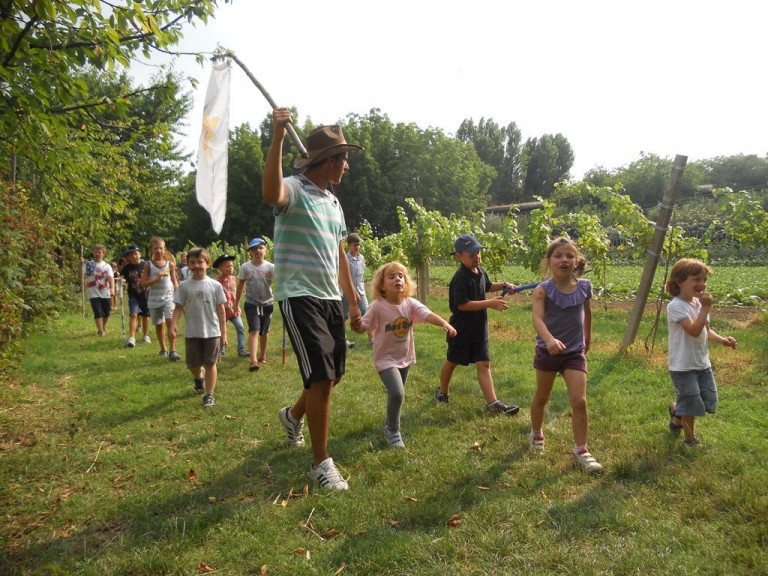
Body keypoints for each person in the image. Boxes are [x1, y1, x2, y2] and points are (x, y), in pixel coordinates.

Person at [263, 108, 363, 491]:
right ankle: (321, 463)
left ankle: (293, 415)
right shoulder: (292, 187)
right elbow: (270, 193)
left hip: (328, 297)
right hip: (298, 294)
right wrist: (277, 139)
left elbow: (338, 252)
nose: (347, 167)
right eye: (344, 159)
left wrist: (352, 301)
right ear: (329, 160)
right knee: (321, 376)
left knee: (333, 375)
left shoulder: (333, 203)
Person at [354, 262, 456, 448]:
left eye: (400, 276)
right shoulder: (377, 306)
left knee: (397, 395)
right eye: (391, 277)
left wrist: (444, 324)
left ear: (406, 281)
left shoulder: (409, 303)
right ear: (382, 285)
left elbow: (427, 314)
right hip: (385, 359)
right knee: (397, 393)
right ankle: (393, 431)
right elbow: (364, 326)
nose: (397, 279)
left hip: (404, 357)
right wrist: (356, 325)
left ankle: (390, 422)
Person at [529, 237, 602, 473]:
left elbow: (587, 313)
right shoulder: (543, 290)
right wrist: (549, 339)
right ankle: (536, 433)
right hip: (548, 351)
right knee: (542, 397)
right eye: (559, 255)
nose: (564, 260)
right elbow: (537, 318)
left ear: (576, 261)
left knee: (579, 401)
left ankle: (581, 450)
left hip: (573, 353)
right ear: (549, 261)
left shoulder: (584, 286)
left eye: (570, 256)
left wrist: (588, 337)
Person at [437, 234, 520, 415]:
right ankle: (442, 392)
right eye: (472, 254)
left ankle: (492, 403)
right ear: (459, 256)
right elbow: (462, 304)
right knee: (452, 362)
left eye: (478, 253)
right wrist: (489, 303)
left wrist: (505, 285)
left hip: (479, 328)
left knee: (484, 364)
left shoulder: (480, 271)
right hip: (461, 329)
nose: (477, 257)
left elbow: (488, 286)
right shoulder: (459, 277)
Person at [665, 258, 737, 446]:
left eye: (704, 280)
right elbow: (694, 330)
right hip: (683, 366)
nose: (702, 284)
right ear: (680, 281)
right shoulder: (676, 306)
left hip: (702, 363)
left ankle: (676, 412)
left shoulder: (698, 304)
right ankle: (689, 440)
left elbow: (706, 331)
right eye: (696, 279)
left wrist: (723, 340)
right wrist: (705, 307)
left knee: (708, 400)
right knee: (691, 403)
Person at [170, 247, 227, 408]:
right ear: (187, 264)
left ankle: (209, 395)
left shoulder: (215, 285)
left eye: (200, 262)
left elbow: (221, 310)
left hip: (212, 331)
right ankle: (199, 377)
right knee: (193, 365)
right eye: (192, 262)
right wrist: (173, 324)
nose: (196, 266)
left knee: (210, 363)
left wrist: (224, 333)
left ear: (207, 264)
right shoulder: (184, 286)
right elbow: (179, 307)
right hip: (192, 332)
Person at [235, 238, 275, 372]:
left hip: (267, 303)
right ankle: (253, 360)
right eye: (254, 249)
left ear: (265, 250)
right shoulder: (246, 267)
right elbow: (240, 284)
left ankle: (263, 356)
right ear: (251, 252)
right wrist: (236, 304)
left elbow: (279, 283)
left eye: (260, 248)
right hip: (251, 303)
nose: (258, 251)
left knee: (264, 331)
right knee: (254, 330)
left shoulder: (271, 267)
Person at [141, 236, 180, 360]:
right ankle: (163, 348)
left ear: (165, 250)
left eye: (161, 248)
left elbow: (174, 280)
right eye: (155, 248)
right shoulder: (148, 265)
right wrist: (155, 279)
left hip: (168, 298)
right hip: (154, 299)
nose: (158, 251)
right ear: (151, 250)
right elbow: (143, 283)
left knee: (170, 322)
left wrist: (178, 293)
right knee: (159, 324)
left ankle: (173, 350)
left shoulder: (170, 264)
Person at [213, 253, 247, 359]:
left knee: (240, 327)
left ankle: (241, 349)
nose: (230, 268)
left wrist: (238, 306)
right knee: (220, 330)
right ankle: (221, 349)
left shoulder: (233, 279)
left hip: (233, 310)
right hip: (222, 312)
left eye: (231, 266)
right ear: (220, 268)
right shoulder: (216, 282)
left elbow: (236, 293)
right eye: (227, 266)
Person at [342, 232, 371, 347]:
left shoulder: (362, 258)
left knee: (367, 313)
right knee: (344, 315)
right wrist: (352, 291)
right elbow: (345, 277)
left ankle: (372, 339)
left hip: (360, 290)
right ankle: (344, 340)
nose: (357, 247)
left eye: (358, 245)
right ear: (348, 245)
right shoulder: (345, 259)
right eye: (355, 245)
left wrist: (359, 290)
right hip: (346, 290)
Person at [79, 244, 115, 337]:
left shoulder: (107, 266)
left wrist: (112, 288)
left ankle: (102, 325)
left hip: (105, 292)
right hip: (93, 292)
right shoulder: (88, 265)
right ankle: (101, 331)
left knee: (107, 312)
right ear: (93, 253)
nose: (97, 254)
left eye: (99, 252)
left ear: (103, 254)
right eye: (96, 252)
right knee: (97, 311)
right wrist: (80, 264)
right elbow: (80, 276)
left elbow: (111, 278)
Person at [120, 245, 151, 347]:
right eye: (131, 255)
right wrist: (122, 280)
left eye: (136, 254)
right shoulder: (126, 268)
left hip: (146, 294)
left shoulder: (146, 265)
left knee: (146, 316)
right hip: (133, 295)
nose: (134, 256)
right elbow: (121, 276)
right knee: (133, 314)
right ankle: (132, 338)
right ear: (128, 257)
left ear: (140, 254)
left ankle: (145, 335)